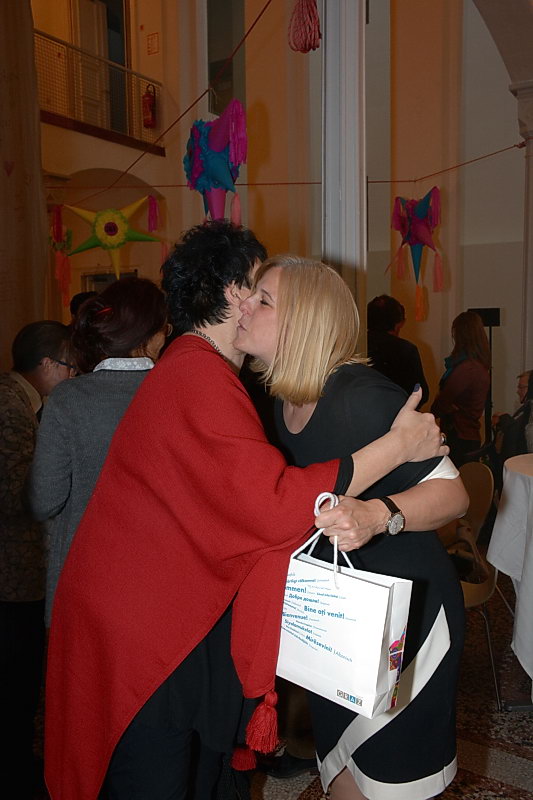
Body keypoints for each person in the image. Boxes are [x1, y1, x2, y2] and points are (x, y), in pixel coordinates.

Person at [44, 222, 449, 800]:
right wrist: (397, 446)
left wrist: (385, 506)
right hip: (148, 628)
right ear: (235, 292)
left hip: (171, 613)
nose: (259, 301)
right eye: (258, 288)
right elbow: (271, 504)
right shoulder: (198, 373)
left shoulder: (210, 371)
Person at [235, 255, 468, 800]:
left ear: (305, 321)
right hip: (338, 624)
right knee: (343, 774)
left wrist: (377, 513)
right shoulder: (279, 400)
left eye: (263, 299)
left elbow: (454, 495)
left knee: (389, 783)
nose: (244, 305)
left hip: (406, 623)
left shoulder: (360, 396)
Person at [26, 277, 169, 627]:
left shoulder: (68, 399)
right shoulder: (180, 393)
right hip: (159, 580)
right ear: (150, 335)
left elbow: (43, 501)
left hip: (83, 579)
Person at [0, 320, 72, 799]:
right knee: (16, 684)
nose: (71, 375)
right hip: (12, 576)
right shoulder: (10, 407)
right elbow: (18, 494)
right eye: (68, 365)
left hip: (18, 573)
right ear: (47, 365)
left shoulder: (22, 401)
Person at [431, 310, 491, 466]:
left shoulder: (467, 368)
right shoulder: (479, 366)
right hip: (468, 434)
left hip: (459, 435)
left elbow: (444, 399)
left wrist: (439, 408)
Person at [367, 294, 429, 406]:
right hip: (398, 411)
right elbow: (421, 394)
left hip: (362, 410)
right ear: (399, 323)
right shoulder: (406, 350)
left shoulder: (356, 346)